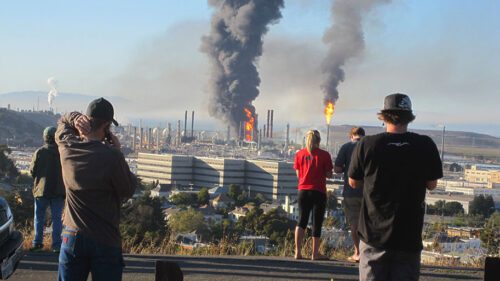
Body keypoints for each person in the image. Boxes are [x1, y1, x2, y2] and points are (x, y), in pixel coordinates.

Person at [348, 93, 443, 281]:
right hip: (408, 236)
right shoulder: (425, 145)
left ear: (384, 116)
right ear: (409, 117)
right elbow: (432, 185)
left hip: (373, 235)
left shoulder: (367, 145)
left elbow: (353, 181)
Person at [55, 97, 136, 281]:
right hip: (105, 237)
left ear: (85, 120)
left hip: (72, 234)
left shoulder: (67, 147)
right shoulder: (112, 157)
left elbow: (62, 122)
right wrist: (118, 153)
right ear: (106, 126)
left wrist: (75, 117)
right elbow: (128, 189)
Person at [293, 130, 333, 260]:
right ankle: (315, 254)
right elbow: (328, 174)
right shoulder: (325, 155)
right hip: (319, 191)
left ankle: (297, 252)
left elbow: (298, 174)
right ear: (319, 141)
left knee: (301, 221)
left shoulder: (299, 154)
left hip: (303, 191)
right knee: (317, 222)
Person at [30, 126, 65, 252]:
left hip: (41, 190)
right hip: (58, 191)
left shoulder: (39, 152)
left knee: (39, 218)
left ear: (45, 137)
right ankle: (56, 245)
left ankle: (37, 243)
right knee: (57, 219)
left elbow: (32, 171)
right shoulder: (62, 153)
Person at [334, 126, 365, 262]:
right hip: (368, 193)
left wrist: (348, 168)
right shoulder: (369, 146)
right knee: (368, 224)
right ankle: (367, 252)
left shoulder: (346, 147)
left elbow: (337, 169)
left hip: (351, 192)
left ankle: (357, 252)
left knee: (354, 223)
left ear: (351, 136)